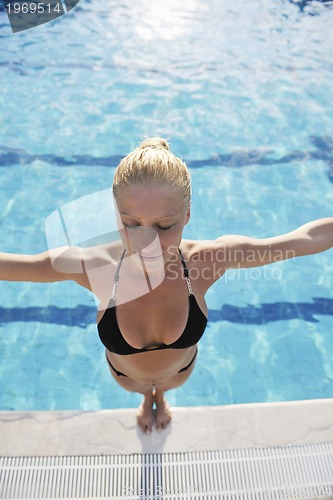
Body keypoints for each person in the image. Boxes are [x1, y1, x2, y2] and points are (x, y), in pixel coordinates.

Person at [0, 137, 332, 434]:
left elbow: (303, 239)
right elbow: (16, 266)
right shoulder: (96, 267)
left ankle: (160, 398)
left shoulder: (205, 262)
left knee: (165, 387)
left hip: (179, 372)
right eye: (131, 224)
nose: (146, 240)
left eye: (164, 225)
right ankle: (147, 401)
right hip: (127, 378)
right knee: (145, 390)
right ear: (115, 216)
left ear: (187, 214)